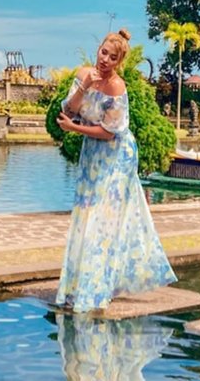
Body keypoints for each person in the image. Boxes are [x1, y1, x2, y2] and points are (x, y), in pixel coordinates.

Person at [55, 28, 177, 312]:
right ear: (97, 49)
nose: (105, 60)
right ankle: (79, 286)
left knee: (103, 221)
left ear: (119, 61)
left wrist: (74, 128)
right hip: (91, 156)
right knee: (85, 217)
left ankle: (96, 290)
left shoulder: (117, 87)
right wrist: (84, 86)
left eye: (112, 57)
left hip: (116, 157)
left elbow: (110, 133)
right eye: (103, 53)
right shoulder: (85, 74)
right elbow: (68, 109)